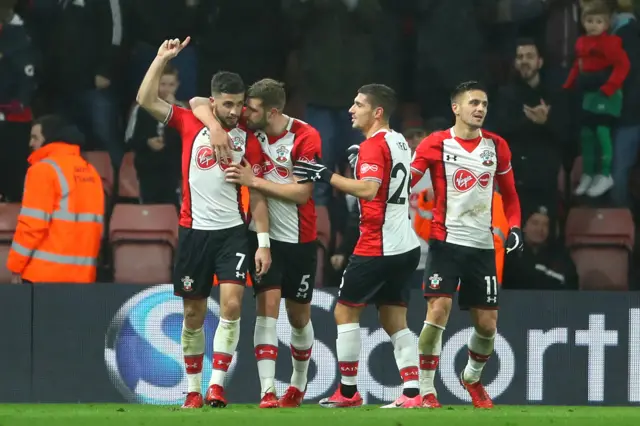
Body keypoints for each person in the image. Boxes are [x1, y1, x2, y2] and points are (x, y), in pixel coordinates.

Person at [135, 37, 272, 409]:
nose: (234, 111)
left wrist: (262, 242)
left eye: (238, 104)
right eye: (227, 104)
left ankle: (216, 386)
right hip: (194, 232)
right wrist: (161, 59)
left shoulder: (249, 138)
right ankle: (193, 389)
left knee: (231, 306)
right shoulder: (189, 123)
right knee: (193, 313)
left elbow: (258, 195)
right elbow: (146, 100)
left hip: (232, 234)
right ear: (214, 102)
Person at [191, 78, 320, 408]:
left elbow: (302, 193)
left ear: (273, 110)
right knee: (267, 312)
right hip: (264, 237)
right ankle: (269, 391)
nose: (244, 112)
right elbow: (197, 102)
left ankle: (298, 384)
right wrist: (214, 127)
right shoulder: (250, 130)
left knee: (299, 317)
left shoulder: (306, 136)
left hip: (301, 237)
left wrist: (254, 181)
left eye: (252, 108)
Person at [293, 84, 422, 409]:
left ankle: (348, 391)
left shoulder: (373, 147)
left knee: (344, 310)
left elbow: (367, 189)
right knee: (395, 318)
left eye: (358, 104)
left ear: (377, 112)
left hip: (377, 244)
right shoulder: (399, 142)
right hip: (406, 244)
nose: (351, 109)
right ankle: (412, 392)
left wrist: (327, 175)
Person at [409, 81, 523, 409]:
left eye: (484, 104)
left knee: (487, 327)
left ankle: (471, 377)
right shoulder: (435, 144)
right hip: (445, 243)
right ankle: (427, 390)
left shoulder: (497, 146)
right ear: (455, 108)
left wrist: (515, 226)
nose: (480, 109)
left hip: (482, 247)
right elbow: (406, 181)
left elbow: (511, 195)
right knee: (438, 310)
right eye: (473, 103)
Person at [6, 115, 104, 284]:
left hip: (43, 277)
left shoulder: (43, 170)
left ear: (50, 139)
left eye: (35, 137)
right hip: (82, 278)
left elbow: (32, 226)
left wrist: (15, 266)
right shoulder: (91, 172)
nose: (31, 143)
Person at [563, 3, 630, 197]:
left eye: (598, 21)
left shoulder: (611, 43)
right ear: (583, 22)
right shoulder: (582, 43)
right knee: (586, 135)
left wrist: (610, 86)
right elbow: (578, 64)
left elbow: (623, 66)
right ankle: (588, 174)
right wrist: (568, 84)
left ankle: (606, 174)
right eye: (590, 21)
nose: (593, 25)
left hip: (608, 95)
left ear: (607, 24)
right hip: (589, 95)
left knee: (602, 132)